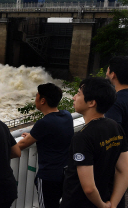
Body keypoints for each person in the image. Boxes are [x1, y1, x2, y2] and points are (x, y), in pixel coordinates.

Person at [60, 78, 128, 208]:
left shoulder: (82, 137)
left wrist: (102, 206)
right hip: (107, 196)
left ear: (91, 102)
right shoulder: (115, 126)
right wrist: (113, 204)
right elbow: (124, 170)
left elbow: (89, 188)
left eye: (79, 93)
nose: (74, 97)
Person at [17, 83, 74, 208]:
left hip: (49, 177)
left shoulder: (44, 123)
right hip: (65, 172)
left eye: (37, 96)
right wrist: (34, 136)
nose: (35, 99)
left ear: (42, 100)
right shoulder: (67, 116)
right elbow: (53, 134)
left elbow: (21, 145)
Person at [105, 56, 128, 208]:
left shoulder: (115, 102)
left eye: (108, 69)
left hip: (121, 161)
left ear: (113, 74)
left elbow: (113, 134)